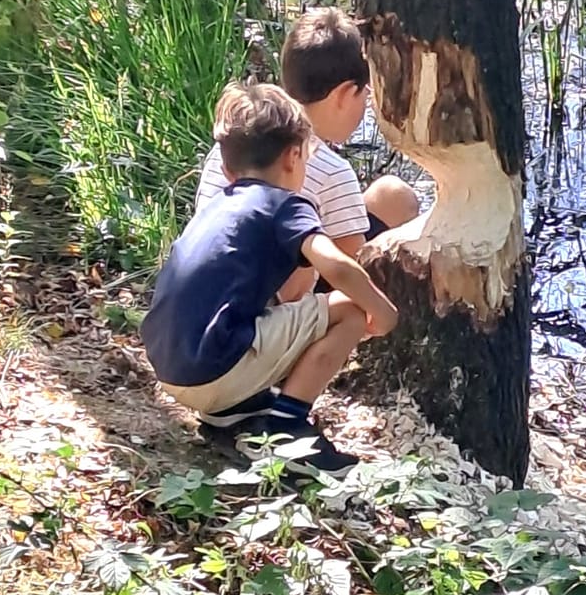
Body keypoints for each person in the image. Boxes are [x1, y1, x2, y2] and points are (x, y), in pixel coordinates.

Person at [141, 82, 399, 478]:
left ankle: (234, 411)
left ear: (227, 169)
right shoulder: (285, 206)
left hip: (168, 365)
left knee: (279, 307)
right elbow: (336, 264)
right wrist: (382, 311)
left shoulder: (218, 207)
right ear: (295, 156)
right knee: (347, 310)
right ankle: (286, 425)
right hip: (212, 367)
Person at [196, 7, 421, 302]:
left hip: (207, 298)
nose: (368, 103)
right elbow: (355, 267)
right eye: (365, 92)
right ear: (343, 95)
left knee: (388, 196)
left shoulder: (234, 140)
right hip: (267, 311)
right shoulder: (331, 171)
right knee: (398, 199)